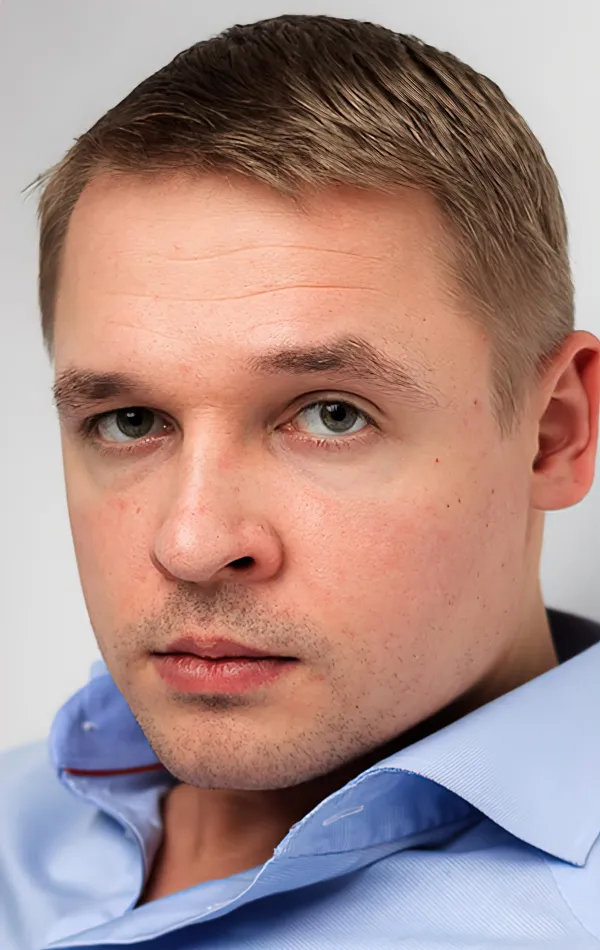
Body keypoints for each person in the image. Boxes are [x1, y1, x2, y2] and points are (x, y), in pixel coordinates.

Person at [2, 12, 599, 949]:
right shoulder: (16, 821)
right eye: (131, 421)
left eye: (330, 415)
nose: (192, 542)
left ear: (553, 435)